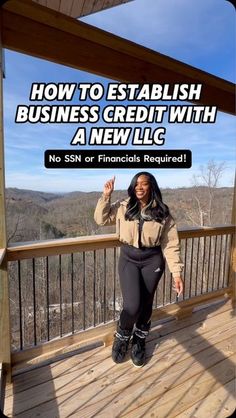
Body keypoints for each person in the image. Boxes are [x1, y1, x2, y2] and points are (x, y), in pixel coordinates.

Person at [94, 172, 184, 367]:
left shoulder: (162, 212)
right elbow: (100, 220)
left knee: (146, 304)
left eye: (144, 184)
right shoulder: (123, 207)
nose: (140, 187)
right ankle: (122, 335)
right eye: (137, 184)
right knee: (132, 305)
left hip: (153, 260)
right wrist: (106, 196)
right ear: (132, 187)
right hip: (129, 259)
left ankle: (139, 340)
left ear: (152, 186)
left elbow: (170, 244)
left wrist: (176, 272)